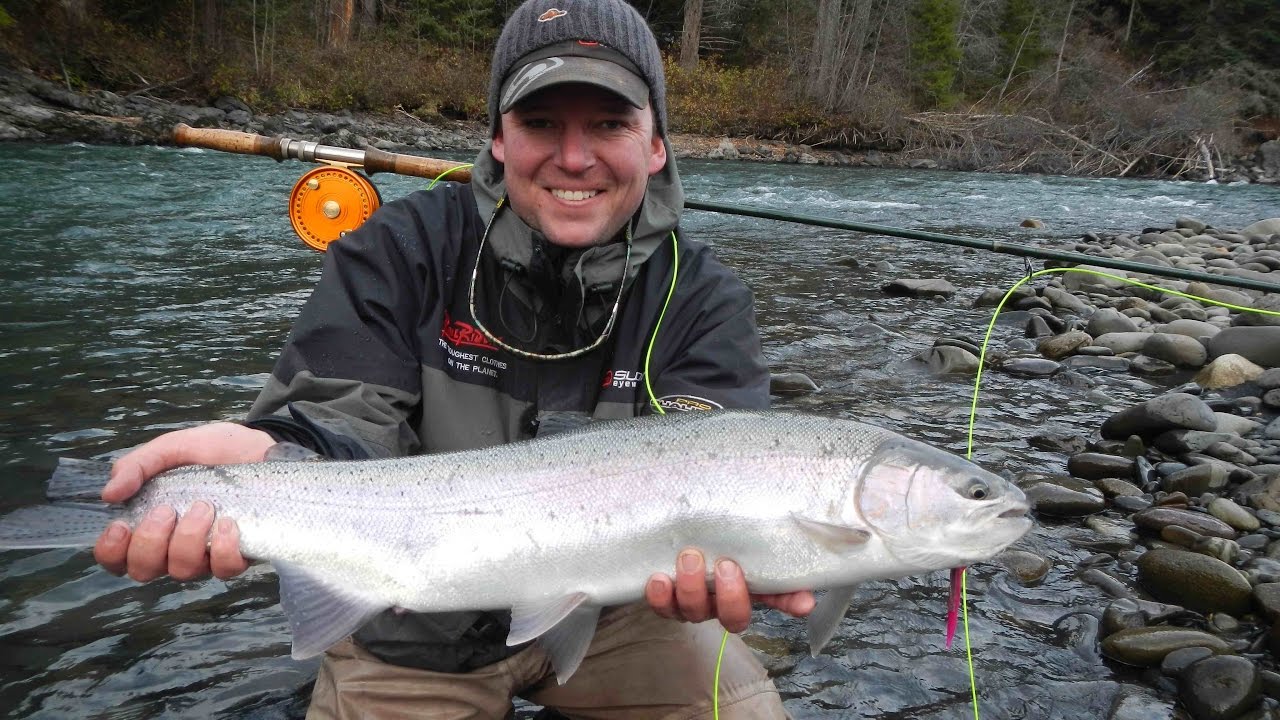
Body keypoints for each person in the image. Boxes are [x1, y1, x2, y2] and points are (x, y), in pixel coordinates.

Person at [93, 0, 815, 716]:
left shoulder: (702, 295)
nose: (573, 157)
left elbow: (723, 463)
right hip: (406, 617)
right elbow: (339, 414)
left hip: (616, 612)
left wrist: (743, 552)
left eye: (609, 124)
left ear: (656, 145)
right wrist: (277, 454)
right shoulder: (400, 249)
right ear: (498, 140)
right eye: (539, 124)